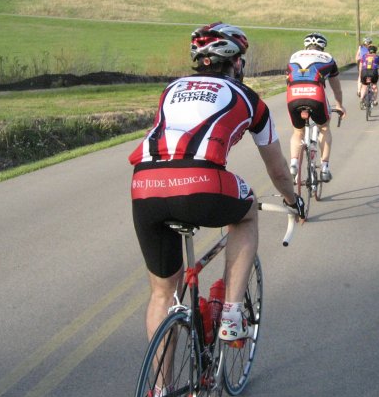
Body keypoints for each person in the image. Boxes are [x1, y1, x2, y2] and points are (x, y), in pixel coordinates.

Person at [129, 22, 305, 346]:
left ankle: (160, 379)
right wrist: (293, 201)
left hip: (144, 185)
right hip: (200, 182)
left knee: (163, 294)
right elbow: (279, 170)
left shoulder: (171, 89)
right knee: (247, 211)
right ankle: (232, 316)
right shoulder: (250, 99)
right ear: (235, 61)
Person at [286, 33, 347, 182]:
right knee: (324, 127)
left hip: (293, 94)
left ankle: (293, 164)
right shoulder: (328, 58)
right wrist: (339, 105)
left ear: (306, 46)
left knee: (298, 132)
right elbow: (337, 89)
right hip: (315, 94)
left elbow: (289, 80)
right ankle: (325, 168)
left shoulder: (294, 56)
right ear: (322, 47)